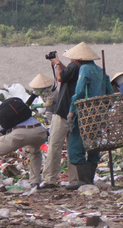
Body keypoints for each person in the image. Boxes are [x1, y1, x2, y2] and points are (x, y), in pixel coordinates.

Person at [67, 42, 113, 188]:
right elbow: (110, 93)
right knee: (94, 144)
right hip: (99, 114)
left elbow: (80, 92)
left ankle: (83, 180)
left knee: (75, 145)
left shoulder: (84, 68)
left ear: (78, 59)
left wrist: (71, 112)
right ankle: (89, 180)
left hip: (85, 113)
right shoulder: (101, 71)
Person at [40, 53, 81, 189]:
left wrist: (57, 63)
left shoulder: (74, 65)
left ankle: (49, 179)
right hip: (76, 114)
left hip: (64, 111)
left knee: (54, 145)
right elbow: (66, 73)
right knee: (73, 148)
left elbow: (60, 77)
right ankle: (74, 180)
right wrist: (58, 64)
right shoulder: (84, 68)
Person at [0, 97, 48, 189]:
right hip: (40, 131)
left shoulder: (4, 114)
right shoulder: (20, 109)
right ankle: (35, 182)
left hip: (21, 134)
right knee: (35, 152)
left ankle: (0, 185)